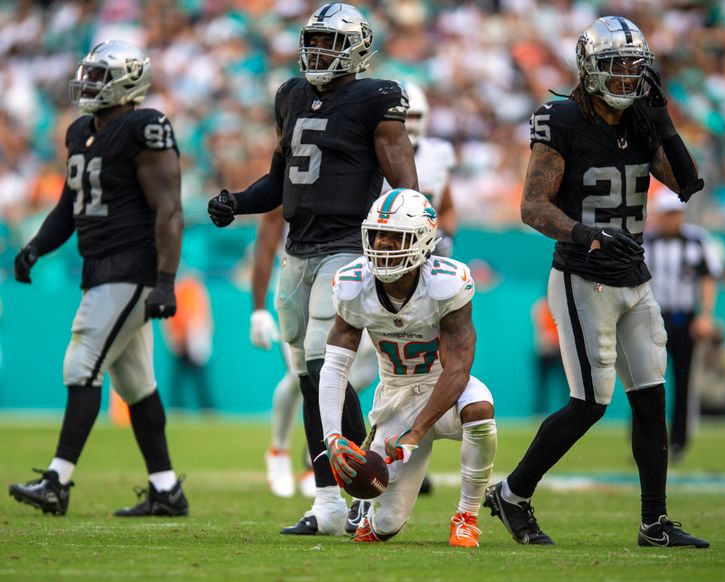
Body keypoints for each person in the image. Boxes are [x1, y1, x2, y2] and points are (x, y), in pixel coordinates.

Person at [483, 17, 709, 548]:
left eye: (635, 67)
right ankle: (512, 494)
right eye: (616, 66)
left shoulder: (644, 120)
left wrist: (666, 123)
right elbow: (532, 207)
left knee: (652, 401)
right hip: (584, 277)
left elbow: (688, 185)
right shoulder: (561, 119)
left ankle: (654, 523)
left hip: (635, 276)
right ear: (588, 70)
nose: (628, 78)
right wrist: (588, 235)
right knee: (590, 402)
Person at [208, 3, 418, 536]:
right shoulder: (292, 95)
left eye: (329, 42)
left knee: (327, 366)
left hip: (348, 247)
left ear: (355, 49)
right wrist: (237, 201)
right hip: (297, 251)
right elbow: (280, 181)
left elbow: (407, 189)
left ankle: (357, 492)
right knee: (307, 379)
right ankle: (330, 501)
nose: (317, 51)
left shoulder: (376, 98)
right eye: (314, 40)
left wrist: (411, 247)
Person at [8, 40, 188, 517]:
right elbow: (70, 206)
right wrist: (36, 246)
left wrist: (166, 280)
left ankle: (56, 481)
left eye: (99, 76)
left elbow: (169, 208)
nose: (88, 84)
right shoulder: (79, 131)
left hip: (131, 266)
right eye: (87, 74)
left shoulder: (144, 126)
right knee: (136, 385)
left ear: (128, 83)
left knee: (81, 361)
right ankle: (166, 489)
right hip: (99, 266)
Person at [319, 188, 497, 548]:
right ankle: (372, 515)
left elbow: (458, 370)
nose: (383, 244)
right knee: (384, 526)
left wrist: (416, 433)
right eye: (378, 235)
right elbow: (335, 368)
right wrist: (333, 435)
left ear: (422, 240)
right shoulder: (354, 285)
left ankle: (466, 515)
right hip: (395, 398)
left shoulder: (447, 283)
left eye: (394, 236)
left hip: (442, 390)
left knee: (480, 410)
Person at [250, 208, 377, 500]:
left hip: (351, 282)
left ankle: (313, 457)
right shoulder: (298, 172)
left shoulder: (372, 169)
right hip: (301, 280)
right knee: (303, 374)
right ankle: (279, 450)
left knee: (358, 373)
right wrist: (257, 309)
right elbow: (267, 236)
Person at [644, 189, 721, 460]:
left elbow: (709, 278)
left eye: (676, 214)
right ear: (658, 216)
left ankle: (678, 442)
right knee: (645, 383)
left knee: (683, 380)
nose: (673, 220)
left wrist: (706, 315)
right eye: (668, 215)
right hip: (652, 320)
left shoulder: (697, 240)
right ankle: (645, 442)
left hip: (684, 320)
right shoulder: (645, 241)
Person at [383, 81, 458, 257]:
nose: (407, 123)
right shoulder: (369, 156)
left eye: (413, 116)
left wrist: (446, 235)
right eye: (402, 116)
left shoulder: (438, 153)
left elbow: (447, 208)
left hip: (424, 248)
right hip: (382, 249)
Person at [163, 271, 216, 414]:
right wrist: (176, 338)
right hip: (181, 343)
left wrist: (197, 339)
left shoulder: (196, 293)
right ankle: (177, 407)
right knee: (178, 379)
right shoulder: (179, 292)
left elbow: (200, 318)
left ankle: (207, 408)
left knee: (200, 379)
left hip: (195, 343)